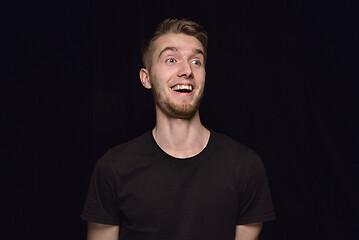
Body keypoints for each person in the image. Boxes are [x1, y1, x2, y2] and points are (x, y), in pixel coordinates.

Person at [81, 18, 276, 240]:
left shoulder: (245, 166)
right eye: (171, 59)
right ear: (146, 78)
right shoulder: (113, 168)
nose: (186, 70)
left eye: (196, 62)